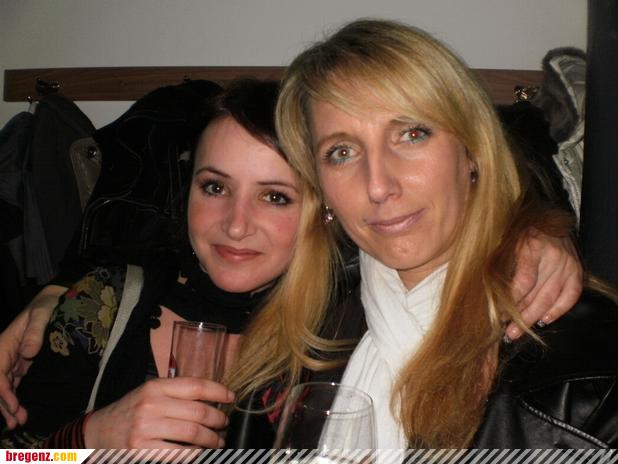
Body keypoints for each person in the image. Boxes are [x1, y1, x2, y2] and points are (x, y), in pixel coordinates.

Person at [0, 74, 583, 448]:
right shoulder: (100, 301)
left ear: (325, 209)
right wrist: (87, 441)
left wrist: (530, 234)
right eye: (214, 187)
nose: (235, 224)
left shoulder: (352, 325)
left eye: (275, 197)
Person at [274, 19, 618, 448]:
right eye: (341, 152)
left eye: (411, 134)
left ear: (473, 151)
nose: (378, 185)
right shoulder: (302, 337)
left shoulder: (587, 379)